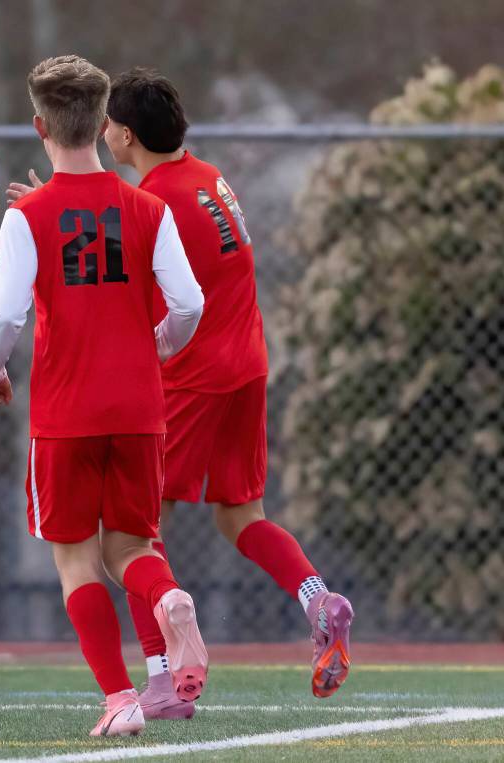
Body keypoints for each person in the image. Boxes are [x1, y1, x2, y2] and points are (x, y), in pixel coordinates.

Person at [103, 67, 354, 705]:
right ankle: (317, 598)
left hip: (193, 376)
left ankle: (164, 679)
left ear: (126, 135)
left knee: (132, 532)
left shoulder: (156, 203)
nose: (103, 132)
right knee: (240, 516)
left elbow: (144, 299)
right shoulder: (210, 175)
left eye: (108, 123)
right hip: (247, 364)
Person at [0, 54, 206, 737]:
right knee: (133, 549)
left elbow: (5, 316)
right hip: (140, 409)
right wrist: (156, 344)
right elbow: (189, 302)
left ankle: (118, 696)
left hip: (65, 415)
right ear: (105, 123)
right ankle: (169, 599)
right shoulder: (148, 206)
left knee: (76, 558)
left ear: (40, 125)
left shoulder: (30, 214)